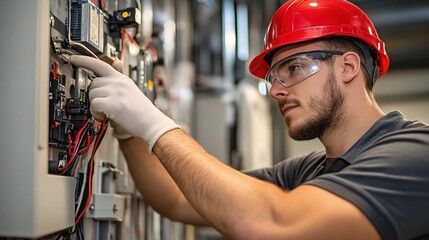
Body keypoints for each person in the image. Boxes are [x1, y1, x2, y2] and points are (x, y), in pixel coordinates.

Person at [70, 0, 429, 239]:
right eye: (274, 76)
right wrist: (128, 128)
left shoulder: (416, 154)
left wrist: (156, 124)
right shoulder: (307, 172)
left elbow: (271, 223)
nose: (276, 90)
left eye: (295, 68)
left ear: (349, 67)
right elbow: (177, 199)